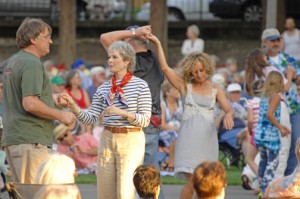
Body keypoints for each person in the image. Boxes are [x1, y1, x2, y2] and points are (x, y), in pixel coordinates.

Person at [60, 41, 152, 199]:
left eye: (115, 57)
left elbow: (145, 120)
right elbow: (89, 118)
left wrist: (123, 113)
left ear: (127, 61)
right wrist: (73, 106)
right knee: (105, 193)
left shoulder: (141, 86)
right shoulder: (103, 88)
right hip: (107, 139)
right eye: (109, 57)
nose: (110, 60)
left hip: (131, 139)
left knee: (125, 193)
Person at [147, 33, 234, 199]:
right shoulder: (184, 87)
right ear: (190, 72)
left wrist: (229, 114)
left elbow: (229, 109)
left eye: (202, 70)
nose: (199, 75)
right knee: (193, 182)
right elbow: (165, 68)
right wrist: (157, 43)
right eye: (195, 72)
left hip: (207, 143)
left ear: (207, 68)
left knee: (208, 185)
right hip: (188, 142)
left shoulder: (217, 89)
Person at [1, 17, 76, 184]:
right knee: (34, 193)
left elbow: (20, 96)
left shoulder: (14, 61)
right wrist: (61, 116)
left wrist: (52, 98)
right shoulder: (32, 63)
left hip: (16, 139)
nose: (50, 40)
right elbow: (30, 103)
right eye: (47, 36)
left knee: (23, 193)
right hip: (30, 141)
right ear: (33, 39)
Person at [100, 25, 165, 199]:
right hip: (154, 118)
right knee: (151, 173)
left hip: (134, 121)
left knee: (130, 174)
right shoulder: (155, 59)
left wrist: (133, 33)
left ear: (129, 45)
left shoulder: (130, 63)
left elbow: (105, 38)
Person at [261, 28, 300, 176]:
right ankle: (269, 180)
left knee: (295, 142)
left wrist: (295, 77)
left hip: (293, 106)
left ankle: (290, 179)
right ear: (264, 42)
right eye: (272, 40)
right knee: (272, 146)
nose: (276, 43)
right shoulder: (262, 62)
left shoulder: (288, 58)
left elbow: (298, 79)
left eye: (278, 40)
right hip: (274, 108)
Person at [254, 71, 291, 194]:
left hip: (261, 133)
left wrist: (282, 127)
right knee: (272, 162)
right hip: (271, 135)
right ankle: (266, 190)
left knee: (263, 161)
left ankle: (260, 186)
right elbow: (269, 114)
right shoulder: (276, 96)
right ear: (279, 82)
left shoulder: (264, 95)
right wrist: (280, 127)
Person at [159, 81, 183, 172]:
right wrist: (178, 129)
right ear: (167, 92)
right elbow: (162, 125)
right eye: (174, 89)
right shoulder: (162, 104)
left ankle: (169, 162)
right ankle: (171, 163)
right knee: (176, 136)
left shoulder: (181, 103)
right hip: (166, 132)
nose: (178, 90)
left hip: (181, 131)